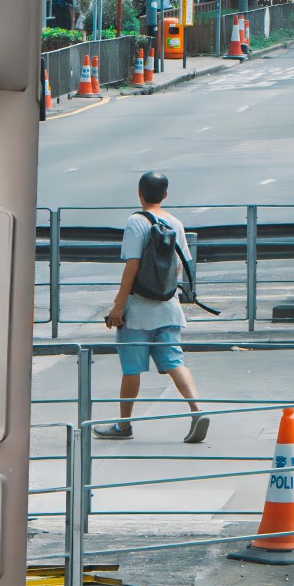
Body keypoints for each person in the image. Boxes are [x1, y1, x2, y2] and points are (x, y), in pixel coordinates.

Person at [95, 171, 210, 445]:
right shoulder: (176, 223)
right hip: (167, 307)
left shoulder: (136, 222)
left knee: (131, 369)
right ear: (166, 195)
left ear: (139, 193)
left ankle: (124, 425)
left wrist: (118, 307)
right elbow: (180, 265)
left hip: (137, 310)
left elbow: (132, 266)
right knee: (174, 361)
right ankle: (197, 409)